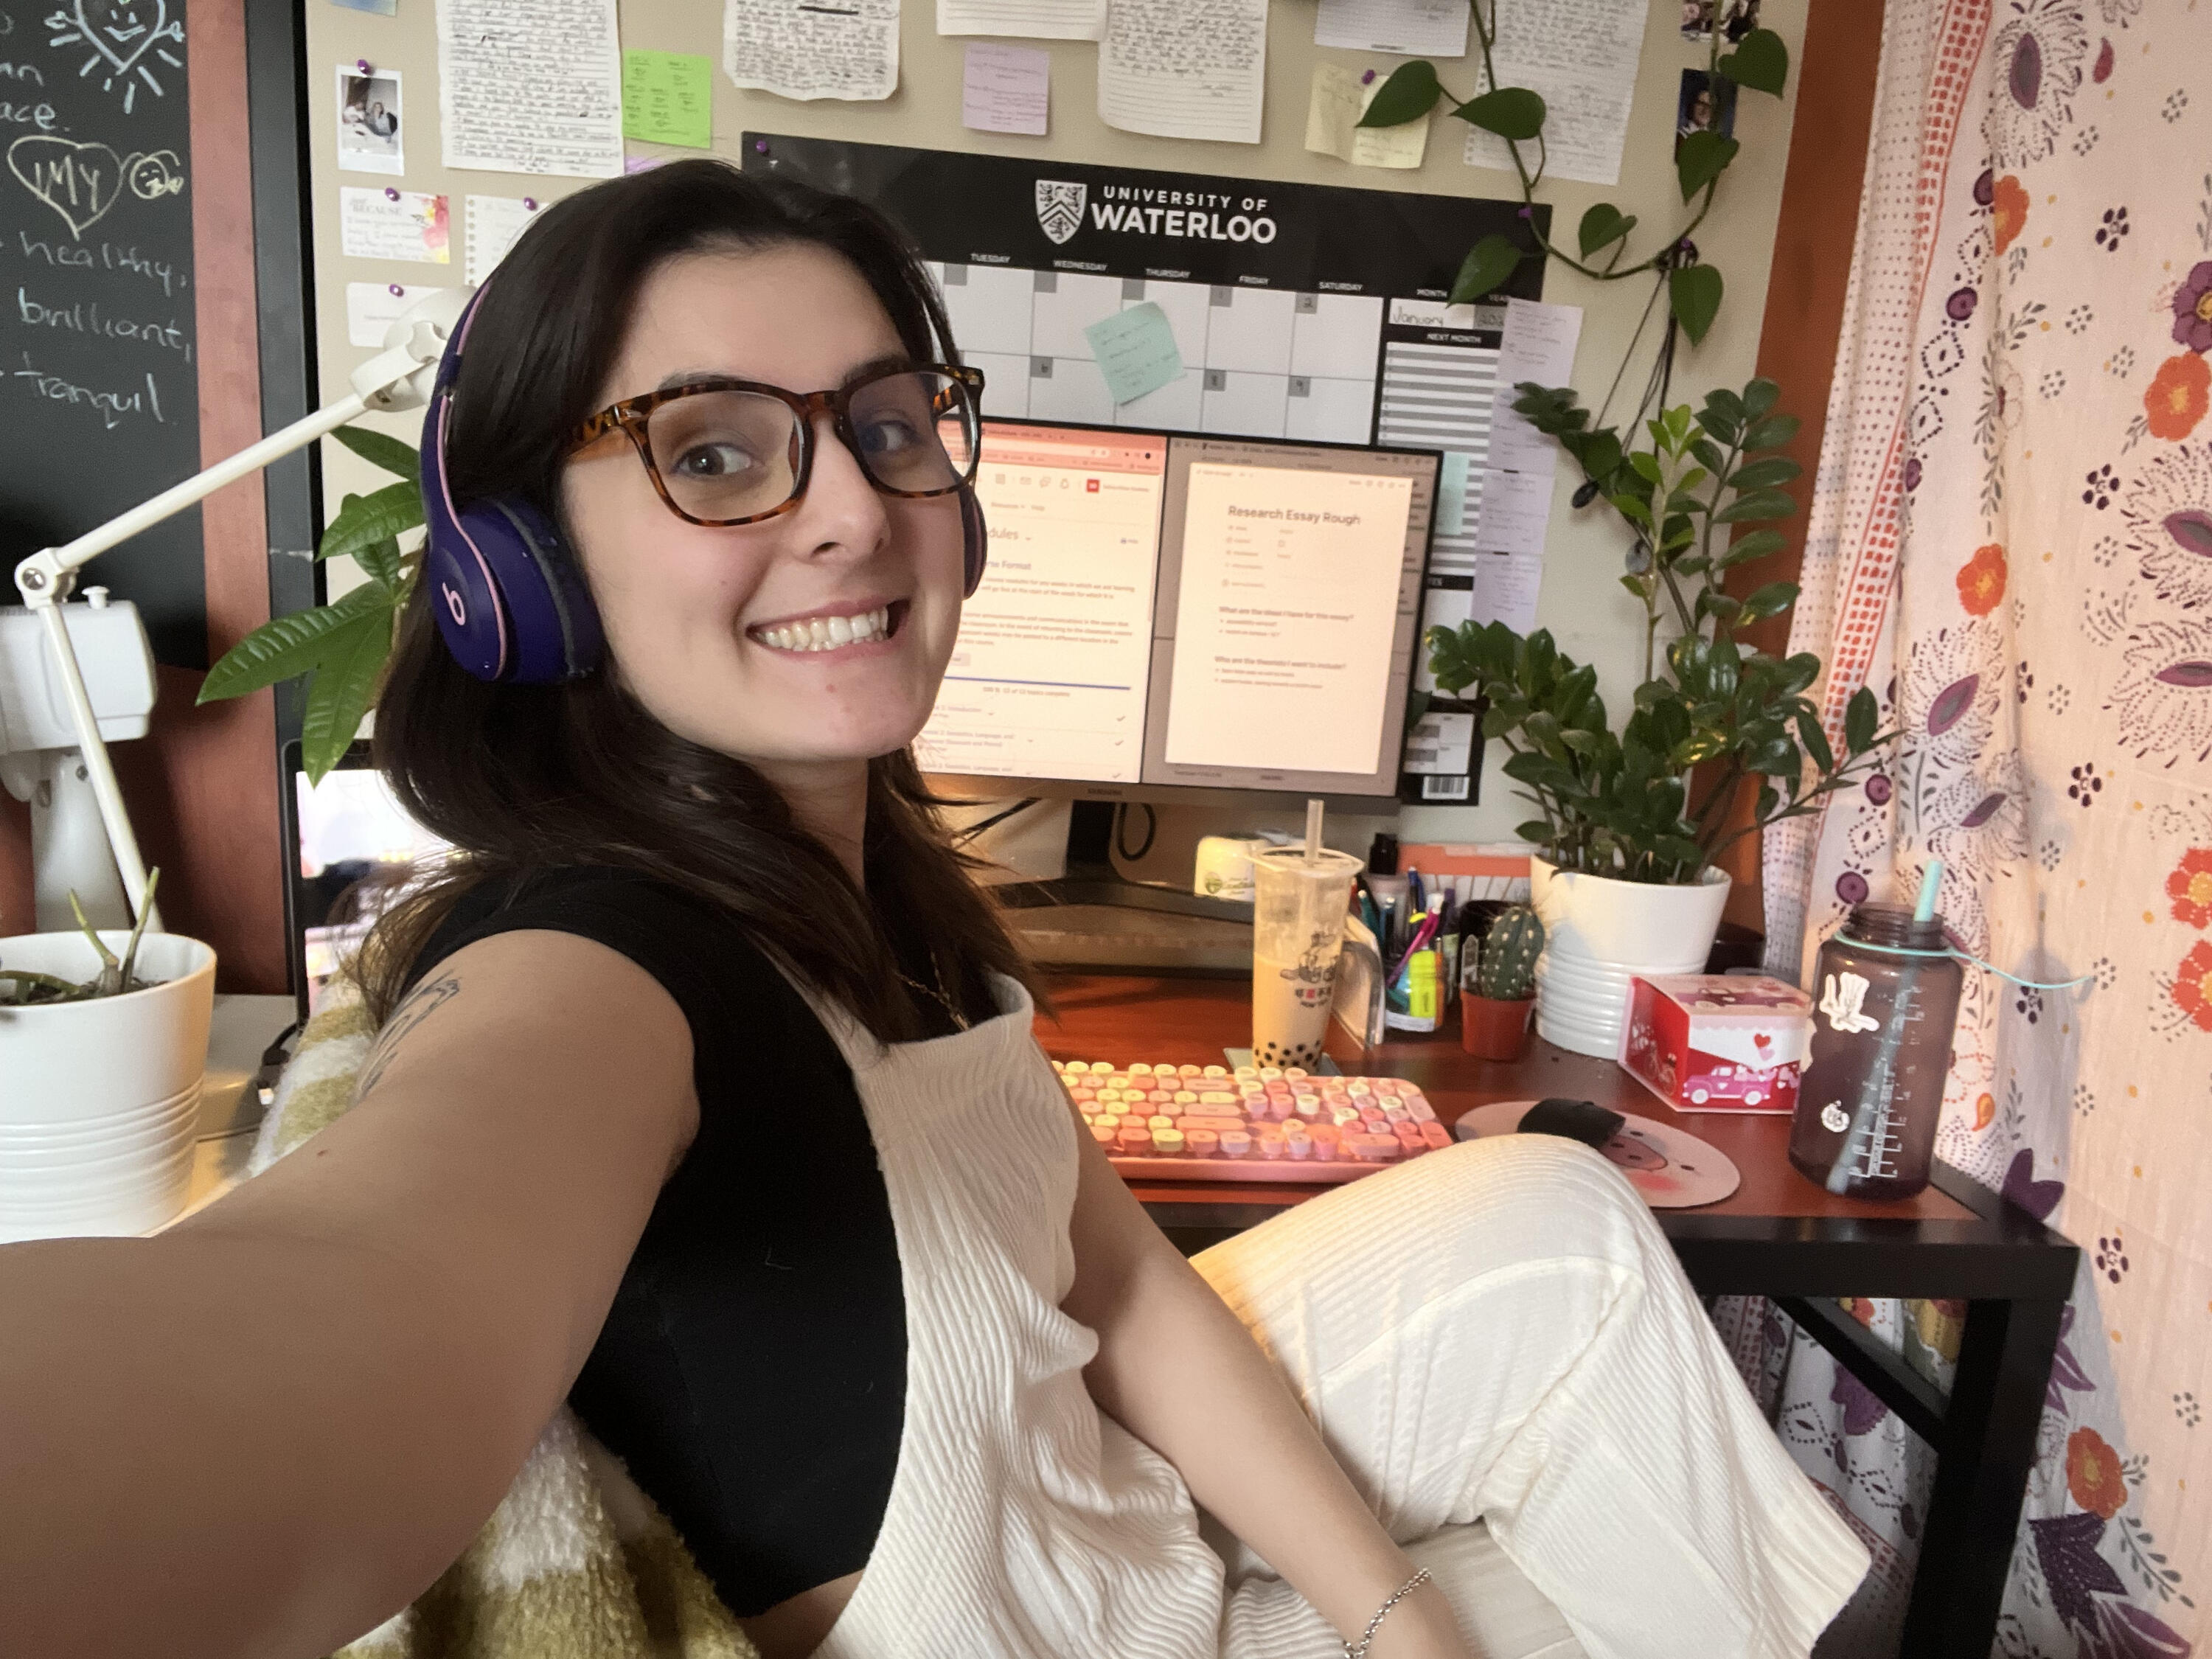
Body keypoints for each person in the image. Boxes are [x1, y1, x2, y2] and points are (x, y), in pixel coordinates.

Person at [0, 160, 1869, 1659]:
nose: (851, 515)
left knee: (1558, 1222)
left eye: (890, 426)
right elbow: (348, 1325)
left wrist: (1403, 1622)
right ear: (522, 569)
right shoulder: (597, 967)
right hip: (1058, 1612)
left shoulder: (877, 880)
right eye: (715, 450)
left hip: (1118, 1549)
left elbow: (1117, 1272)